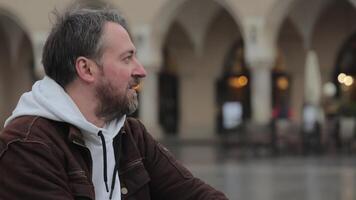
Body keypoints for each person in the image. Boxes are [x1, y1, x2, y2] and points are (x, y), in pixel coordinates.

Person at [0, 5, 228, 200]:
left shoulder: (130, 134)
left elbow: (195, 194)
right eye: (127, 58)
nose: (140, 70)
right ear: (86, 69)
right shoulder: (27, 146)